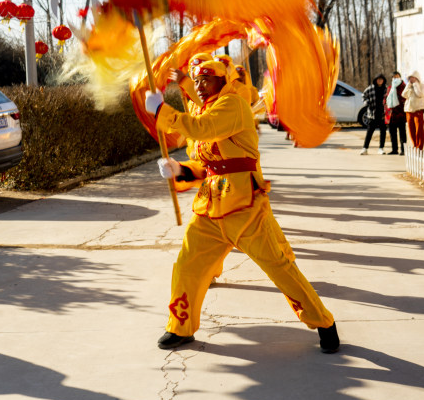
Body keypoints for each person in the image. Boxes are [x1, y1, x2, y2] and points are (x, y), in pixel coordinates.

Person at [144, 60, 339, 353]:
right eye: (196, 81)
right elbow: (206, 165)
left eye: (206, 80)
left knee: (279, 268)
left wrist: (161, 111)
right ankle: (180, 328)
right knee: (186, 266)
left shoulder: (233, 105)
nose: (199, 86)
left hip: (244, 208)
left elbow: (203, 129)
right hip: (209, 208)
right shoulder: (207, 108)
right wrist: (180, 169)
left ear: (223, 82)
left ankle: (324, 322)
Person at [360, 73, 388, 154]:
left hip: (383, 114)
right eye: (378, 79)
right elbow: (363, 96)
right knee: (369, 131)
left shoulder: (386, 89)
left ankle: (381, 148)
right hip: (372, 113)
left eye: (381, 79)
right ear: (376, 80)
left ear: (383, 81)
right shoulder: (370, 88)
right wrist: (367, 103)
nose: (380, 81)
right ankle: (365, 148)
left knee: (383, 132)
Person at [402, 71, 424, 150]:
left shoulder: (422, 85)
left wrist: (415, 85)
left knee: (419, 129)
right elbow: (403, 95)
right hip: (409, 110)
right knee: (411, 129)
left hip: (418, 110)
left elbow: (420, 94)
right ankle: (414, 145)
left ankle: (420, 147)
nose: (411, 79)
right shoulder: (409, 86)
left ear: (416, 78)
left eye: (412, 78)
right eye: (409, 78)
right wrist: (408, 86)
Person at [385, 71, 407, 155]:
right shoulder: (390, 87)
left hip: (400, 113)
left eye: (397, 77)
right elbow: (386, 97)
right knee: (392, 133)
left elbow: (404, 98)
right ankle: (394, 149)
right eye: (394, 77)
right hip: (391, 114)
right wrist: (385, 105)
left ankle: (403, 149)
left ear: (400, 78)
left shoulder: (403, 87)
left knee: (402, 133)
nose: (395, 79)